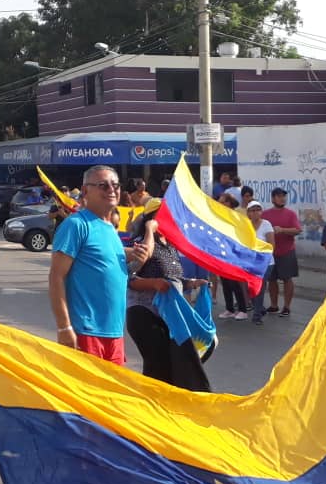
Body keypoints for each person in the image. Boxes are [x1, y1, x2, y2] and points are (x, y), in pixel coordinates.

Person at [49, 165, 148, 364]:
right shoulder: (76, 225)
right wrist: (64, 327)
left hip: (114, 333)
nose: (112, 189)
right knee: (85, 395)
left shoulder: (110, 229)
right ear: (85, 191)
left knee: (111, 395)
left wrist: (136, 254)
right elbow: (56, 277)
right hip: (86, 332)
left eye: (115, 184)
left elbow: (108, 261)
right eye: (103, 185)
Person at [125, 200, 211, 391]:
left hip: (169, 316)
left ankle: (166, 410)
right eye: (161, 215)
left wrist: (193, 283)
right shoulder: (140, 243)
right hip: (144, 314)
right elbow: (127, 279)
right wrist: (149, 230)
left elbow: (174, 279)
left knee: (175, 366)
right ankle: (151, 409)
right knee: (157, 367)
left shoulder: (170, 247)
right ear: (152, 218)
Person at [262, 188, 303, 317]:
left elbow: (297, 230)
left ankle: (286, 306)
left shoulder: (290, 214)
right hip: (270, 252)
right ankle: (274, 305)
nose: (282, 199)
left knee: (287, 279)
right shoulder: (265, 214)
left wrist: (283, 230)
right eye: (279, 196)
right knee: (271, 280)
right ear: (273, 198)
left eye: (284, 196)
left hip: (287, 251)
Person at [217, 194, 248, 320]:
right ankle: (229, 308)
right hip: (222, 252)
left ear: (229, 203)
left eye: (223, 202)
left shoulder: (236, 217)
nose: (220, 204)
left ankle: (242, 309)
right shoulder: (219, 216)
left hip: (233, 253)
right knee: (225, 283)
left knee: (234, 282)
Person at [246, 201, 275, 325]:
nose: (255, 212)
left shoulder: (266, 224)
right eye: (252, 210)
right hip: (250, 262)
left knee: (260, 287)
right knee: (251, 288)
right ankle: (260, 308)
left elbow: (271, 244)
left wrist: (262, 254)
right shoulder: (245, 226)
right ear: (248, 213)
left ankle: (257, 315)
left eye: (258, 209)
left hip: (265, 262)